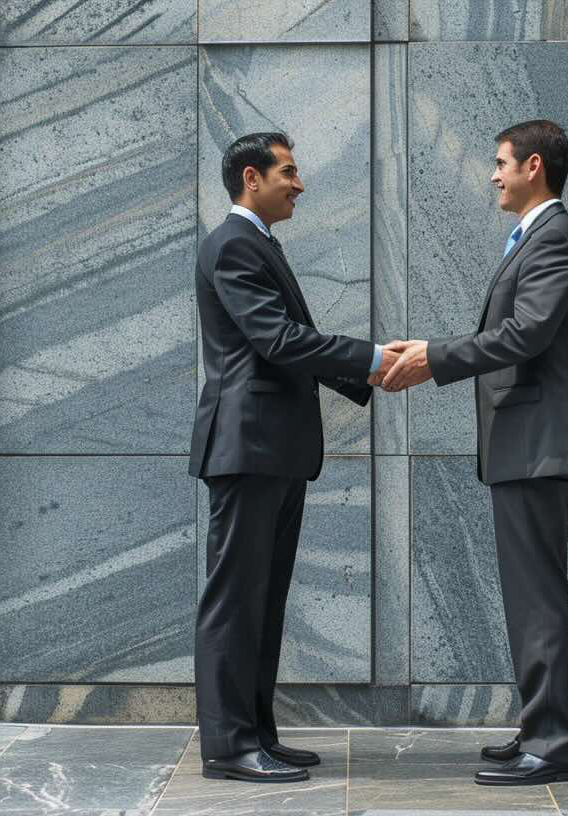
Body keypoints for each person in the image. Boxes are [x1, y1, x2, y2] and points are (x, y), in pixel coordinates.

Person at [380, 119, 568, 786]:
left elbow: (526, 333)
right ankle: (539, 726)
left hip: (538, 447)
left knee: (538, 599)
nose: (493, 175)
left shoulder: (557, 237)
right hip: (525, 447)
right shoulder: (537, 238)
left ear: (535, 166)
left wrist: (435, 359)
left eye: (502, 163)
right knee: (530, 597)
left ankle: (553, 744)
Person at [190, 132, 398, 783]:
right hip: (247, 447)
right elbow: (277, 340)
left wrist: (362, 367)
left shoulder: (254, 245)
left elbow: (283, 341)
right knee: (235, 600)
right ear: (251, 178)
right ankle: (229, 747)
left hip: (271, 450)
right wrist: (369, 361)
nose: (299, 183)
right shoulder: (232, 246)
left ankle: (256, 734)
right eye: (289, 171)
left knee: (264, 598)